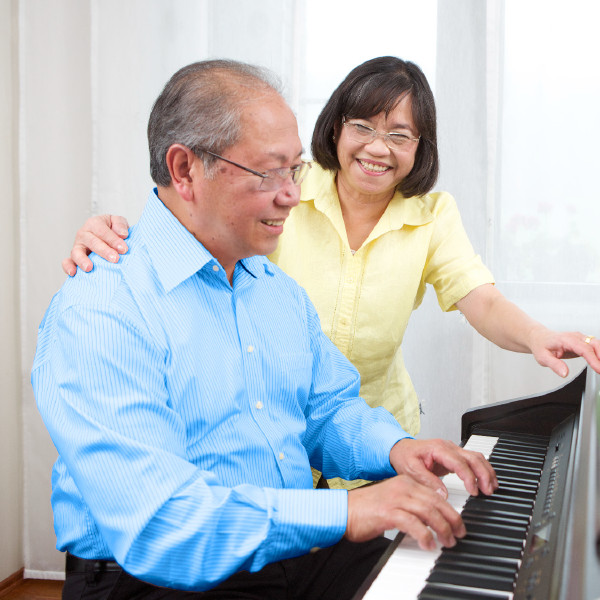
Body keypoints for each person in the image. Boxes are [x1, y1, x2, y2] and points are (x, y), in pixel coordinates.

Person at [33, 59, 497, 600]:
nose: (292, 195)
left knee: (446, 570)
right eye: (269, 173)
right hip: (159, 576)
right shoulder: (103, 308)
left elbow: (327, 409)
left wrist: (397, 450)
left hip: (287, 554)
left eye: (295, 170)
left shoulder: (274, 290)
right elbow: (164, 523)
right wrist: (346, 510)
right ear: (184, 170)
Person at [65, 55, 600, 487]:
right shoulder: (285, 192)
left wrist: (538, 336)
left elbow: (479, 297)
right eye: (362, 126)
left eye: (400, 134)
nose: (376, 147)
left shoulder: (431, 216)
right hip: (275, 425)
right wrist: (121, 236)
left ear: (421, 147)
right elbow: (200, 228)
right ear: (336, 128)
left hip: (365, 429)